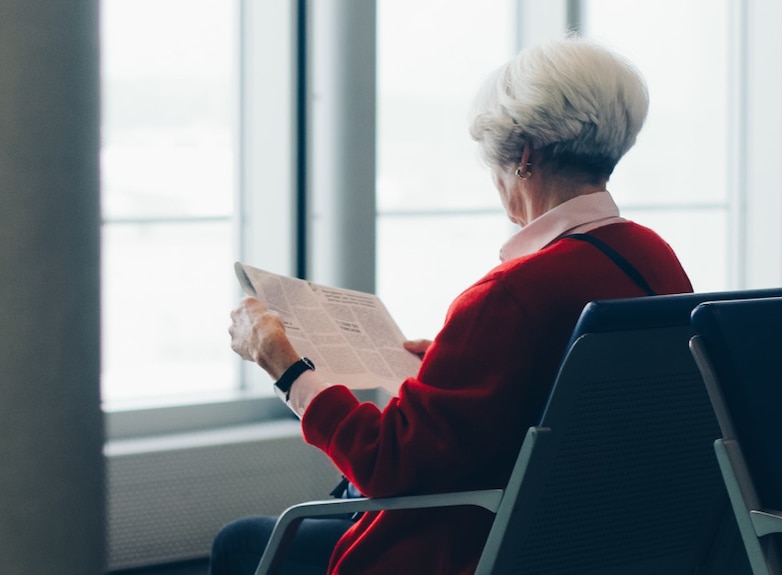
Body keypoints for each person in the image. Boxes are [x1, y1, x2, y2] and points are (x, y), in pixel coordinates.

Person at [213, 33, 693, 575]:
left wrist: (285, 365)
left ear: (525, 157)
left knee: (242, 541)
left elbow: (388, 463)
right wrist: (449, 376)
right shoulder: (654, 258)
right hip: (596, 544)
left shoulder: (511, 296)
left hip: (474, 548)